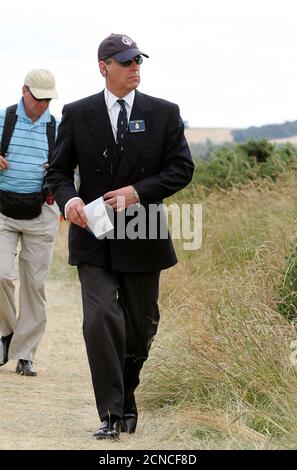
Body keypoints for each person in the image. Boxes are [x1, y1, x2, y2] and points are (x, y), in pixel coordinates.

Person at [47, 33, 194, 440]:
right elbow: (58, 172)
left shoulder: (164, 113)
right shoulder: (77, 113)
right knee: (100, 320)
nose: (135, 68)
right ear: (104, 67)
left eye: (137, 61)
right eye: (126, 62)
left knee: (141, 327)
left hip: (143, 234)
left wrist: (137, 192)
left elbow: (182, 169)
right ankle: (111, 413)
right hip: (92, 236)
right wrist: (69, 201)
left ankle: (128, 397)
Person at [0, 69, 60, 377]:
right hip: (3, 210)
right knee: (1, 274)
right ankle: (7, 331)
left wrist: (60, 167)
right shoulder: (3, 119)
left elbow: (69, 167)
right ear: (24, 91)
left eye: (48, 99)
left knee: (35, 286)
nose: (42, 105)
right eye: (38, 98)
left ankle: (25, 353)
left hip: (42, 212)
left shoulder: (57, 127)